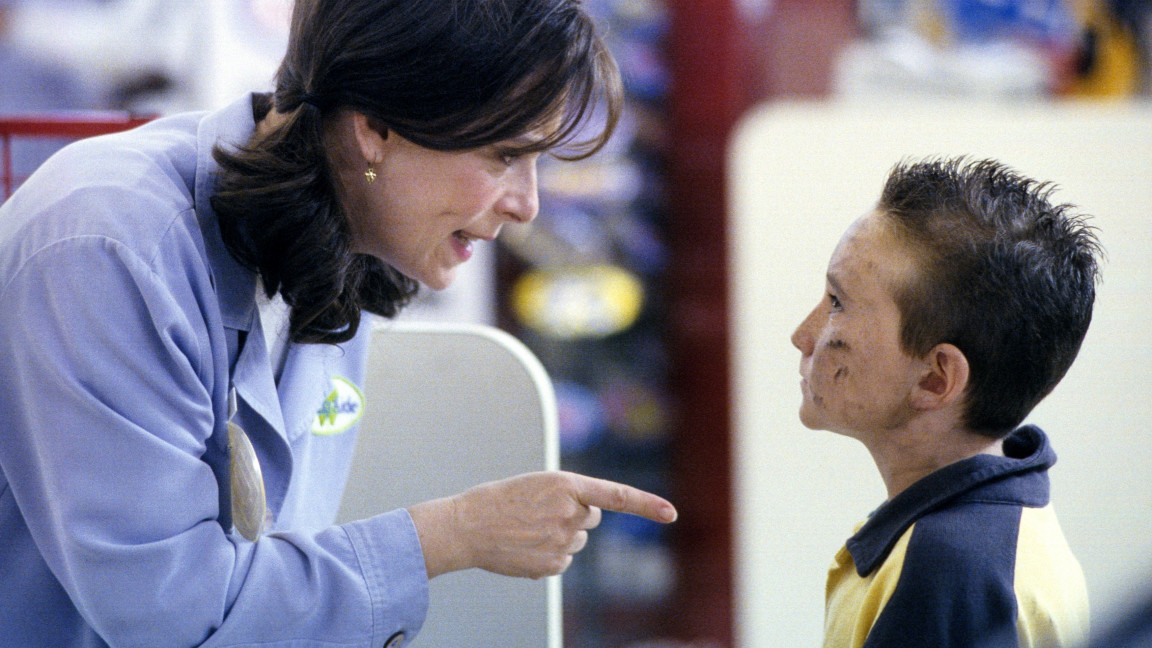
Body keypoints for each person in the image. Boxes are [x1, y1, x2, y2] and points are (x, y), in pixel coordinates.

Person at [0, 1, 677, 647]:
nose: (528, 205)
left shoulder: (341, 241)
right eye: (504, 155)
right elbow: (177, 616)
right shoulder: (108, 246)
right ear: (375, 126)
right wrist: (455, 533)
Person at [790, 157, 1100, 648]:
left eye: (837, 302)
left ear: (936, 379)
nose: (802, 335)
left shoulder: (946, 574)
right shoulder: (1000, 530)